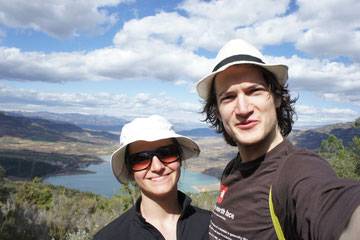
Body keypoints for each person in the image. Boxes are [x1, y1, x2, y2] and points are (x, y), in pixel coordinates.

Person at [196, 39, 360, 240]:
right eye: (228, 97)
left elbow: (334, 205)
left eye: (254, 91)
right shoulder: (232, 168)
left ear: (276, 97)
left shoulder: (298, 170)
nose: (243, 109)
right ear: (218, 112)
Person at [92, 115, 211, 240]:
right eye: (141, 159)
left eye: (166, 153)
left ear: (179, 157)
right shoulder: (109, 237)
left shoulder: (214, 228)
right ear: (130, 169)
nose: (157, 167)